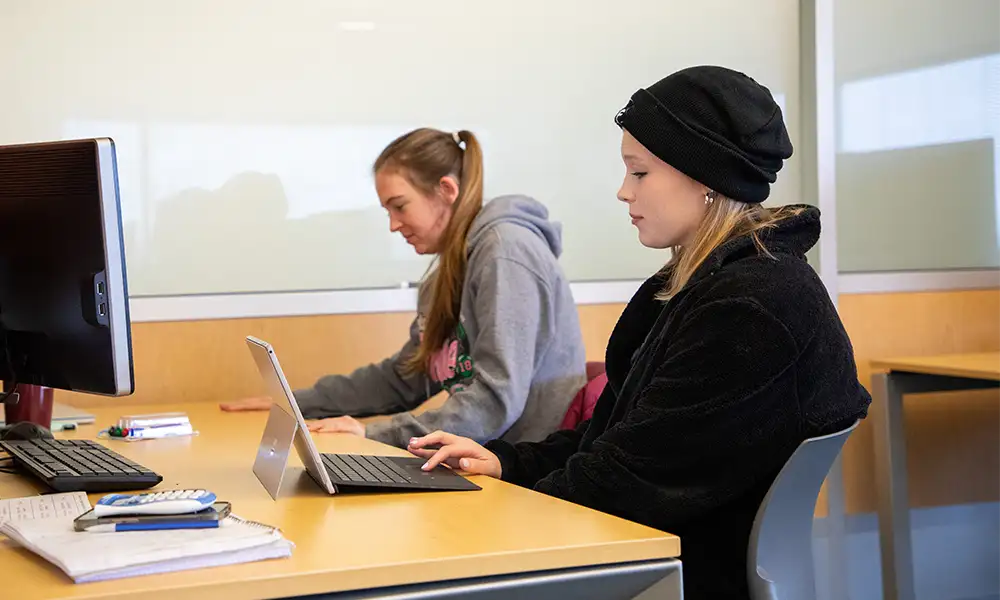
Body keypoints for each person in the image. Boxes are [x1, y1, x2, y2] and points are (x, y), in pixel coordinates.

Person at [406, 66, 872, 599]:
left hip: (674, 570)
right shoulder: (700, 284)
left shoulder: (753, 306)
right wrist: (505, 463)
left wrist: (510, 503)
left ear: (703, 177)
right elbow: (616, 441)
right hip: (651, 549)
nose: (624, 192)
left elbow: (628, 481)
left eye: (640, 173)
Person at [220, 128, 587, 449]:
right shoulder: (447, 272)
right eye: (387, 211)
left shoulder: (506, 252)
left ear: (446, 190)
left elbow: (493, 402)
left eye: (400, 206)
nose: (394, 225)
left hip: (526, 472)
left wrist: (373, 435)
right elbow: (407, 376)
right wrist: (296, 403)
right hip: (484, 460)